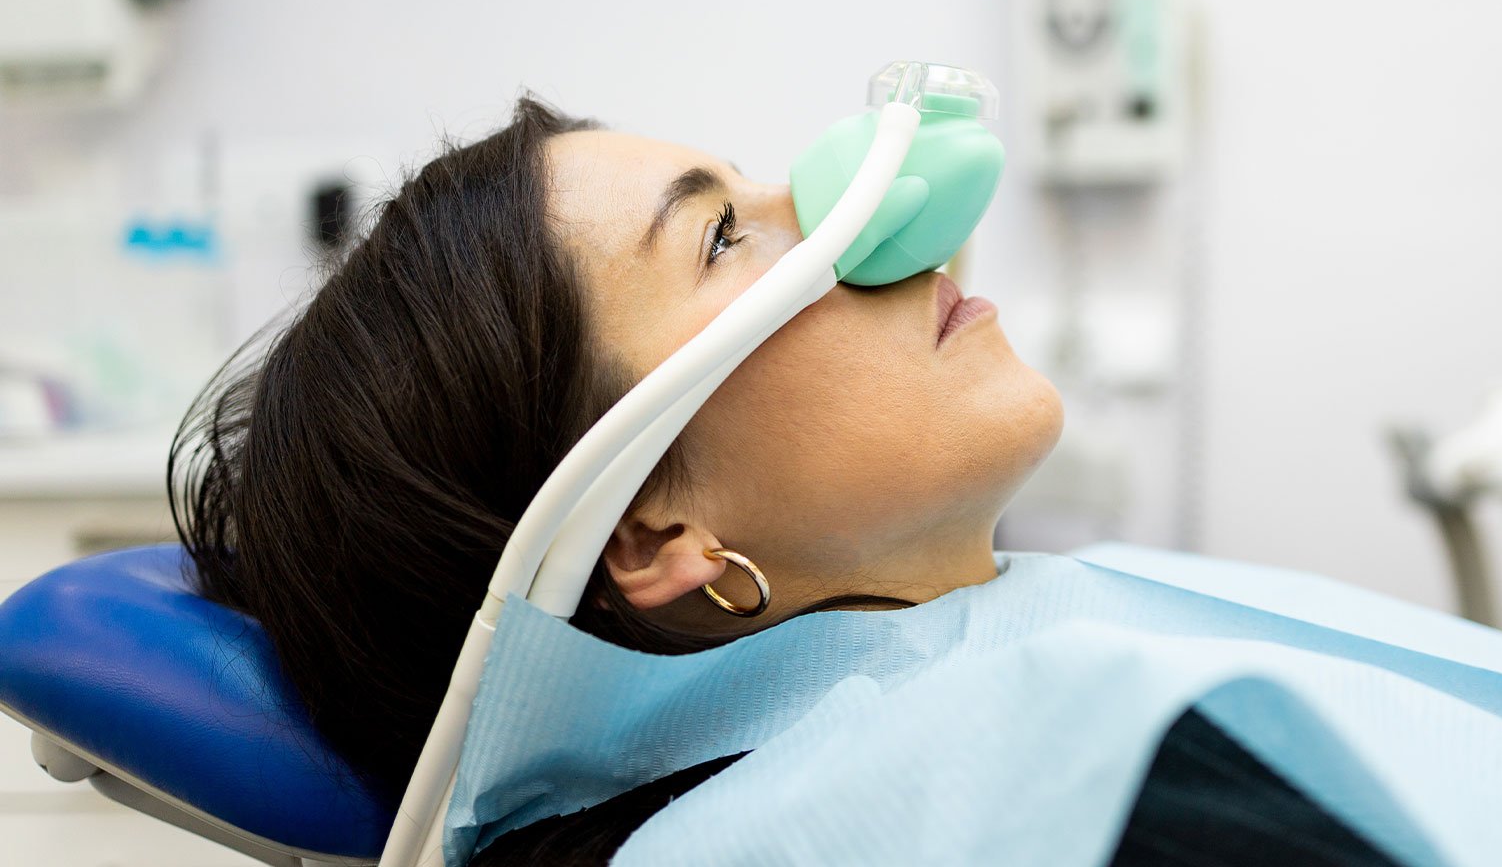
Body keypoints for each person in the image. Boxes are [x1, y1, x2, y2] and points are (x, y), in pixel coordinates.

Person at [172, 98, 1395, 866]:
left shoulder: (1034, 691)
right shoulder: (1022, 811)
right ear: (651, 528)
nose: (860, 223)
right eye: (721, 238)